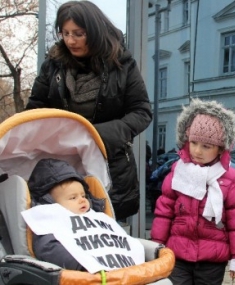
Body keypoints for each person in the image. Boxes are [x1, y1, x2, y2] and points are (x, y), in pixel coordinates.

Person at [25, 0, 152, 220]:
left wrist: (95, 135)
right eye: (65, 33)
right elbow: (34, 110)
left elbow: (141, 112)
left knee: (105, 233)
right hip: (62, 166)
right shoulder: (52, 65)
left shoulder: (122, 64)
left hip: (110, 163)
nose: (70, 40)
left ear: (94, 32)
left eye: (78, 33)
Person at [150, 98, 235, 285]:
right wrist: (157, 246)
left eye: (206, 146)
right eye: (194, 143)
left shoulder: (229, 180)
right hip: (178, 254)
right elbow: (164, 213)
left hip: (212, 259)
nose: (197, 150)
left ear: (220, 149)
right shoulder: (177, 173)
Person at [22, 158, 144, 273]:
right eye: (73, 198)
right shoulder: (51, 220)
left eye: (83, 196)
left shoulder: (97, 216)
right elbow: (49, 248)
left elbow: (120, 239)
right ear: (52, 203)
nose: (82, 200)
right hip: (88, 273)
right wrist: (82, 265)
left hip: (124, 271)